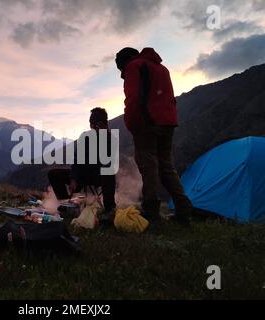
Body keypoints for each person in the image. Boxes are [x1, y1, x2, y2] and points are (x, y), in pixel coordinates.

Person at [115, 47, 193, 225]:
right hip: (168, 121)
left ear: (124, 62)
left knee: (148, 164)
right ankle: (183, 209)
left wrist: (133, 125)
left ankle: (151, 212)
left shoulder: (134, 66)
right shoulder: (161, 68)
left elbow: (133, 99)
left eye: (121, 70)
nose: (122, 74)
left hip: (148, 123)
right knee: (166, 165)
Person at [48, 107, 116, 223]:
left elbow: (107, 163)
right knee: (54, 174)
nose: (92, 127)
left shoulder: (110, 139)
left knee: (109, 172)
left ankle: (109, 209)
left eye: (95, 124)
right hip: (82, 175)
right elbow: (77, 160)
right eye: (91, 124)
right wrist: (74, 178)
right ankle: (66, 205)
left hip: (98, 176)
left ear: (103, 124)